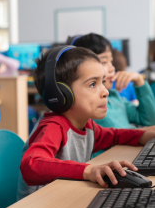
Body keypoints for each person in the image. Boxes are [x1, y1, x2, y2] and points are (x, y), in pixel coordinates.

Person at [19, 47, 155, 191]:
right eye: (92, 84)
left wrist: (147, 135)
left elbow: (115, 136)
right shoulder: (53, 126)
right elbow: (31, 164)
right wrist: (90, 170)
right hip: (41, 206)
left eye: (102, 82)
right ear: (60, 94)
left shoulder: (87, 125)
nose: (105, 92)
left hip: (65, 196)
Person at [73, 33, 155, 129]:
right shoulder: (88, 105)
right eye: (104, 62)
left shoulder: (114, 97)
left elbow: (150, 120)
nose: (112, 68)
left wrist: (139, 81)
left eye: (111, 61)